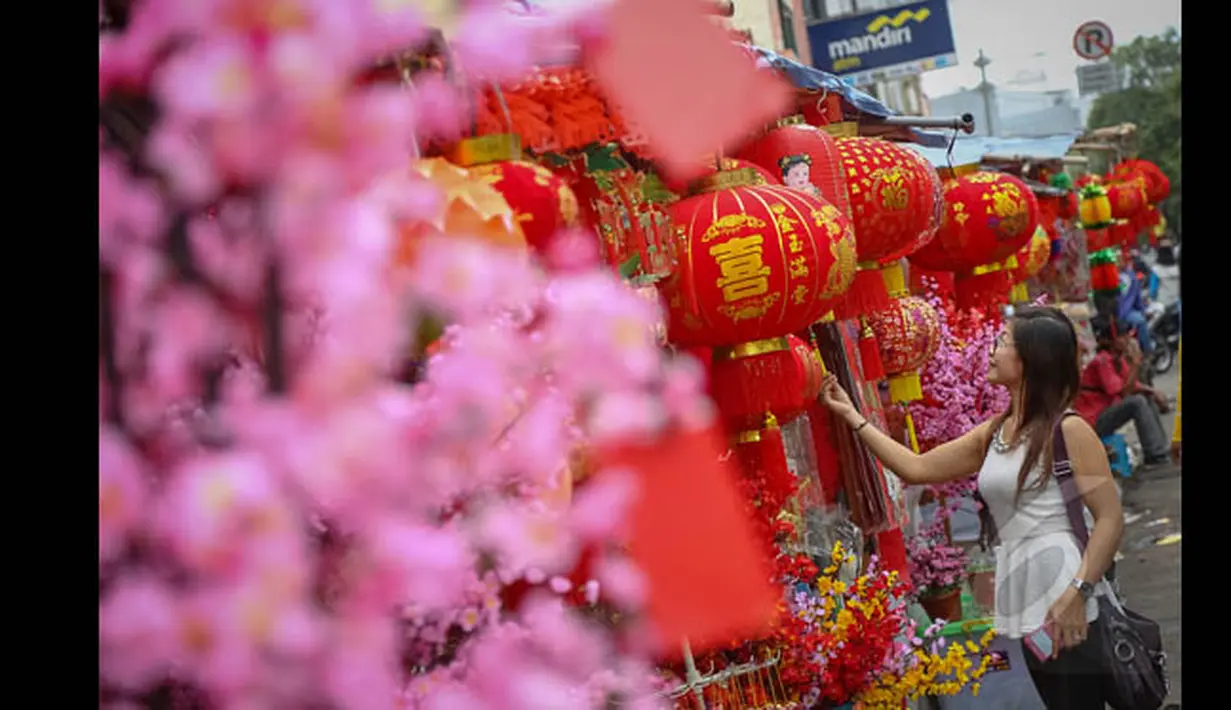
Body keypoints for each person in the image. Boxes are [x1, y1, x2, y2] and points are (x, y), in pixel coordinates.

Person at [820, 306, 1122, 709]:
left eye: (1003, 342)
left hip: (1066, 591)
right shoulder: (995, 432)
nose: (993, 350)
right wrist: (852, 416)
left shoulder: (1068, 430)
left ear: (1031, 359)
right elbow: (917, 467)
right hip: (1024, 593)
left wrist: (1077, 593)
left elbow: (1109, 518)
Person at [1075, 314, 1174, 470]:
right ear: (1109, 341)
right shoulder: (1102, 361)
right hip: (1092, 420)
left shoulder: (1116, 358)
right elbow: (1123, 393)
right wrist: (1135, 363)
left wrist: (1153, 391)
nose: (1128, 339)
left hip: (1103, 412)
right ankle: (1155, 454)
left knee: (1145, 397)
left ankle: (1159, 450)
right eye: (1122, 336)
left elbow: (1132, 384)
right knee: (1137, 402)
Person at [1116, 257, 1154, 356]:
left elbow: (1137, 296)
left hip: (1128, 312)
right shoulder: (1111, 277)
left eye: (1120, 260)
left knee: (1141, 321)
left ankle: (1147, 352)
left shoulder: (1131, 276)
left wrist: (1143, 309)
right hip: (1117, 313)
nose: (1119, 263)